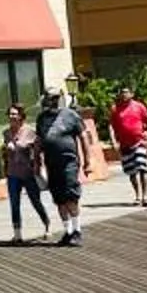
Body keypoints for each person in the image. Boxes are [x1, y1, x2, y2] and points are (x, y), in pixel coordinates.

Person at [35, 86, 93, 245]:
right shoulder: (42, 118)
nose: (51, 101)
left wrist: (88, 162)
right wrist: (36, 161)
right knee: (59, 198)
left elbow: (83, 137)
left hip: (68, 163)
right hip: (51, 164)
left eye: (54, 98)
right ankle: (67, 231)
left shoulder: (71, 115)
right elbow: (39, 141)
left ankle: (77, 230)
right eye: (49, 98)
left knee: (70, 196)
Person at [0, 102, 50, 243]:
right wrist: (5, 150)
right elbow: (6, 154)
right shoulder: (6, 133)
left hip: (28, 173)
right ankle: (17, 234)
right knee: (14, 203)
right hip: (13, 173)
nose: (11, 116)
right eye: (10, 114)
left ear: (21, 116)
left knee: (35, 201)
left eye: (14, 114)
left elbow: (37, 151)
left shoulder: (29, 132)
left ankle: (46, 224)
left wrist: (37, 166)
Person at [111, 83, 147, 207]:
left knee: (142, 167)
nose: (124, 95)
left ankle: (145, 196)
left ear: (132, 94)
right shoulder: (115, 109)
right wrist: (114, 141)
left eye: (126, 92)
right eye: (122, 92)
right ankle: (137, 195)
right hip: (125, 145)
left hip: (139, 142)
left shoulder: (139, 106)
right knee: (131, 172)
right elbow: (112, 126)